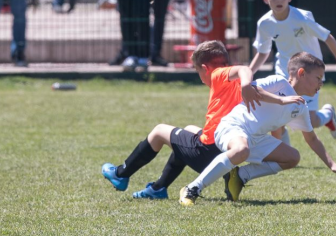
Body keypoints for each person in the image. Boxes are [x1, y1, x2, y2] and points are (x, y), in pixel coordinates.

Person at [100, 40, 306, 199]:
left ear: (205, 69)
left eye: (198, 71)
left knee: (159, 131)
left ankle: (121, 173)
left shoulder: (218, 74)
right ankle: (158, 188)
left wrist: (245, 84)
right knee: (188, 131)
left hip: (206, 153)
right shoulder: (239, 80)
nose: (200, 77)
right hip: (227, 151)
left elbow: (245, 68)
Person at [179, 52, 336, 206]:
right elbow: (250, 88)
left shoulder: (301, 107)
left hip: (256, 138)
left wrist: (332, 164)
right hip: (233, 126)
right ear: (302, 73)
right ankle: (192, 188)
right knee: (241, 149)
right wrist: (281, 100)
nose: (321, 83)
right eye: (319, 78)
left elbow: (311, 138)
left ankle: (241, 176)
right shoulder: (278, 82)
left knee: (292, 158)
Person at [249, 0, 336, 140]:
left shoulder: (302, 19)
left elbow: (327, 37)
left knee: (310, 122)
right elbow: (263, 52)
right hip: (284, 73)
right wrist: (248, 73)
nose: (279, 0)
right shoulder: (264, 23)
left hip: (309, 74)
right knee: (276, 116)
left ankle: (327, 115)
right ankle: (283, 157)